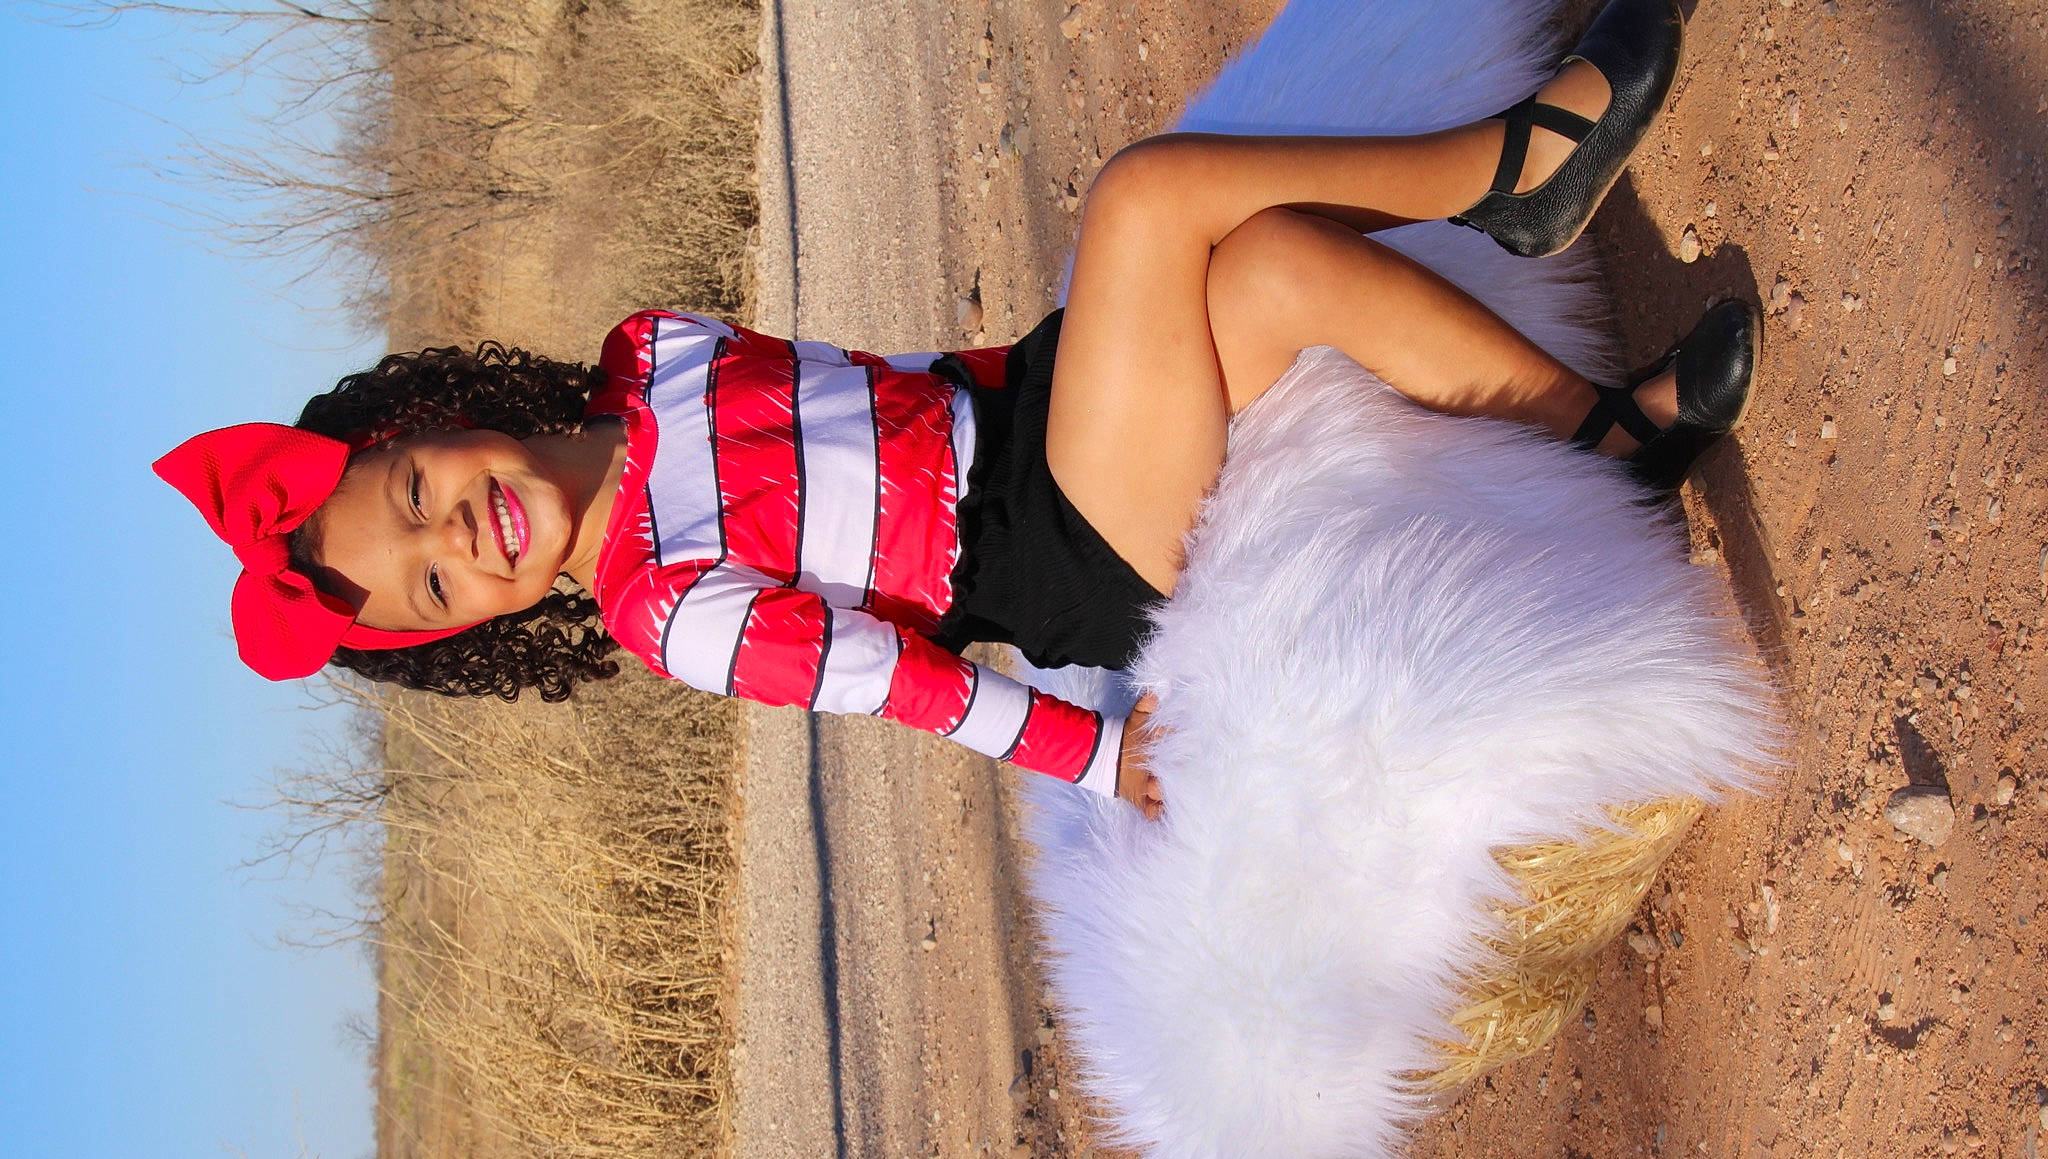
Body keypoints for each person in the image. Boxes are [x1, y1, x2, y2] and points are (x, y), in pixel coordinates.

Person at [158, 0, 1756, 818]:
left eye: (414, 495)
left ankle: (1604, 441)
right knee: (1144, 200)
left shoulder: (646, 355)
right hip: (1054, 548)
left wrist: (1073, 354)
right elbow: (890, 681)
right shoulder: (661, 607)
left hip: (1032, 414)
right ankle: (1513, 172)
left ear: (422, 421)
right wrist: (1093, 754)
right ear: (470, 628)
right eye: (437, 581)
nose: (462, 533)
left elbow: (883, 404)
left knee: (1267, 264)